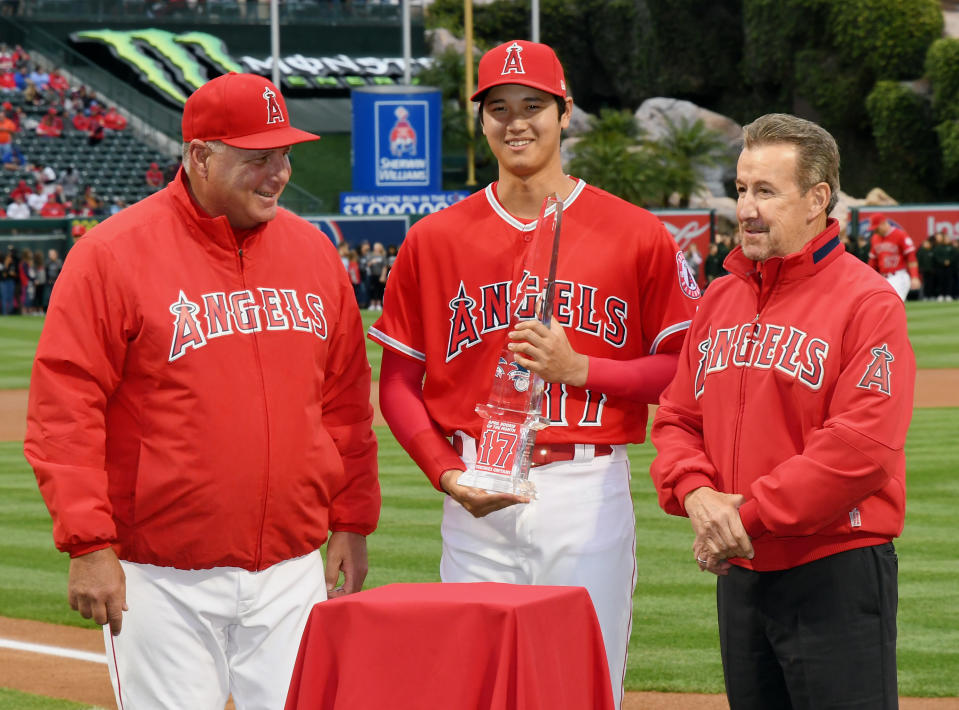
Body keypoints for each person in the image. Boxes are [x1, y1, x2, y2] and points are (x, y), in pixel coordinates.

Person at [24, 72, 380, 710]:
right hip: (160, 577)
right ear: (200, 155)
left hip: (291, 572)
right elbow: (65, 409)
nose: (278, 173)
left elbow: (345, 402)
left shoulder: (314, 251)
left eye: (284, 155)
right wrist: (89, 544)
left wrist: (351, 520)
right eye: (258, 158)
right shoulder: (112, 254)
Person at [368, 40, 698, 709]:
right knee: (470, 684)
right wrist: (445, 473)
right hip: (474, 492)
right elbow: (398, 384)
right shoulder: (433, 239)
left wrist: (582, 368)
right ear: (481, 121)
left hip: (582, 485)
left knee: (581, 682)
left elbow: (679, 370)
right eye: (498, 108)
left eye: (532, 106)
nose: (515, 122)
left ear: (564, 112)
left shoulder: (637, 234)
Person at [649, 113, 915, 710]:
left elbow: (860, 448)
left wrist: (743, 516)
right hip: (741, 574)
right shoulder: (720, 298)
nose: (746, 208)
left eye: (765, 191)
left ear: (818, 198)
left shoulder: (867, 302)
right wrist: (696, 494)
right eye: (742, 189)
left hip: (834, 572)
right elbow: (675, 419)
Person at [866, 212, 920, 301]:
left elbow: (911, 258)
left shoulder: (900, 235)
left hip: (898, 276)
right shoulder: (875, 238)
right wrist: (868, 278)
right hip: (883, 278)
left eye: (876, 228)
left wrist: (914, 276)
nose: (875, 231)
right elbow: (872, 262)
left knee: (893, 304)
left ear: (883, 223)